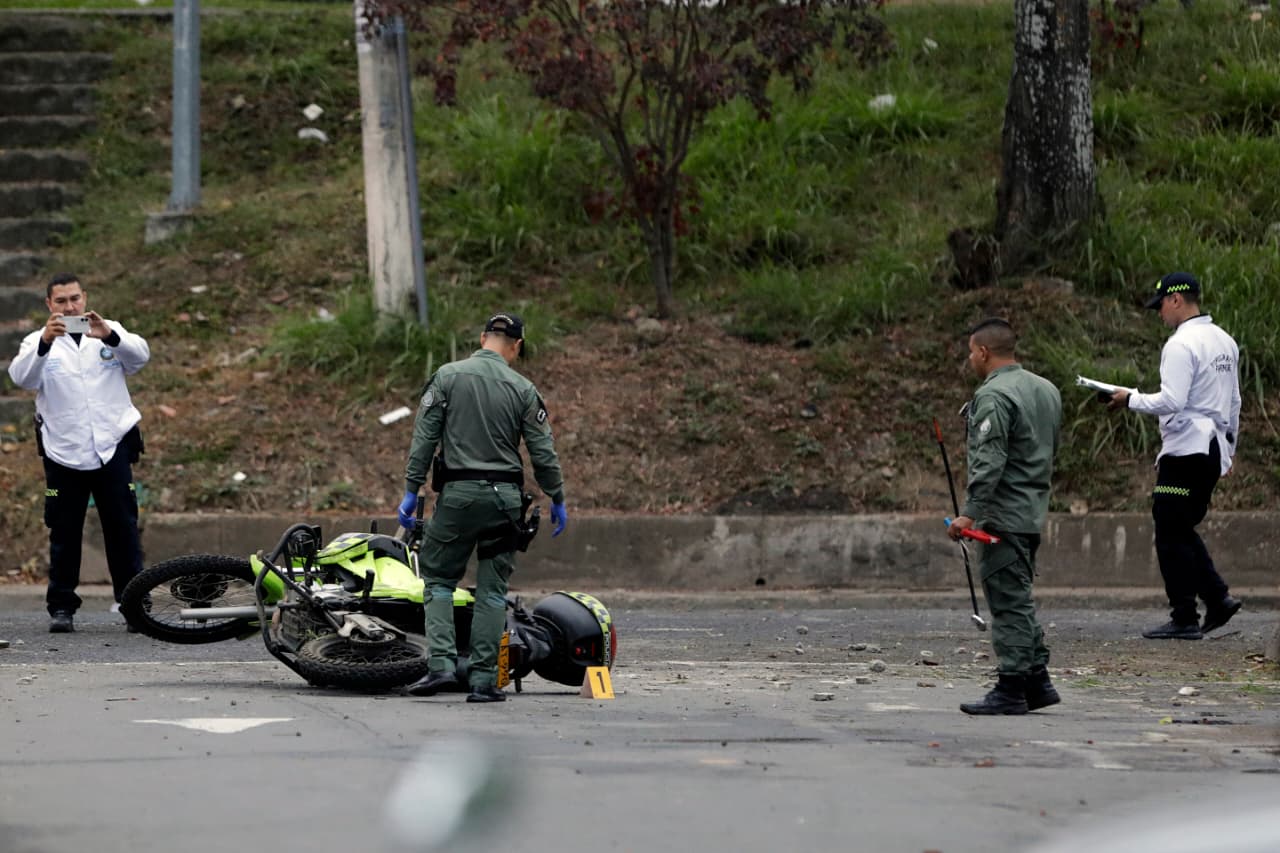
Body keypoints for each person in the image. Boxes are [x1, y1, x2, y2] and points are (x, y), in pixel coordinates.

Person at [398, 312, 567, 703]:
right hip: (504, 501)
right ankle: (484, 681)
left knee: (439, 580)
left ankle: (441, 666)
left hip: (457, 497)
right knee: (492, 591)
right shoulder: (523, 389)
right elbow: (543, 453)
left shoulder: (447, 377)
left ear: (481, 338)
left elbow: (424, 439)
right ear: (516, 346)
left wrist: (410, 488)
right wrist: (557, 496)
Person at [7, 272, 150, 633]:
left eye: (74, 299)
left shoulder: (108, 330)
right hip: (63, 451)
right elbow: (22, 378)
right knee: (64, 532)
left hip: (111, 446)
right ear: (49, 305)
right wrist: (45, 341)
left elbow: (140, 357)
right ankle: (62, 607)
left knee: (123, 528)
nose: (70, 307)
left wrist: (110, 335)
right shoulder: (36, 341)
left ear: (84, 297)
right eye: (61, 301)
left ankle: (133, 604)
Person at [1108, 272, 1242, 640]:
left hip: (1186, 450)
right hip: (1212, 449)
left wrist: (1129, 399)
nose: (1159, 313)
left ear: (1177, 300)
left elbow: (1172, 400)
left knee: (1169, 528)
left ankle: (1186, 615)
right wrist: (1228, 450)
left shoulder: (1180, 344)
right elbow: (1234, 401)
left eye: (1161, 306)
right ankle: (1216, 599)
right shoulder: (1225, 341)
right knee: (1178, 526)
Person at [948, 318, 1062, 715]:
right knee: (1019, 597)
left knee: (1009, 603)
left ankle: (1011, 688)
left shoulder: (993, 395)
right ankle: (1038, 681)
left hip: (1004, 515)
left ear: (983, 352)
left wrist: (969, 514)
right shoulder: (1046, 389)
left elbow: (990, 459)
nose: (970, 359)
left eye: (970, 352)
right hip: (1031, 511)